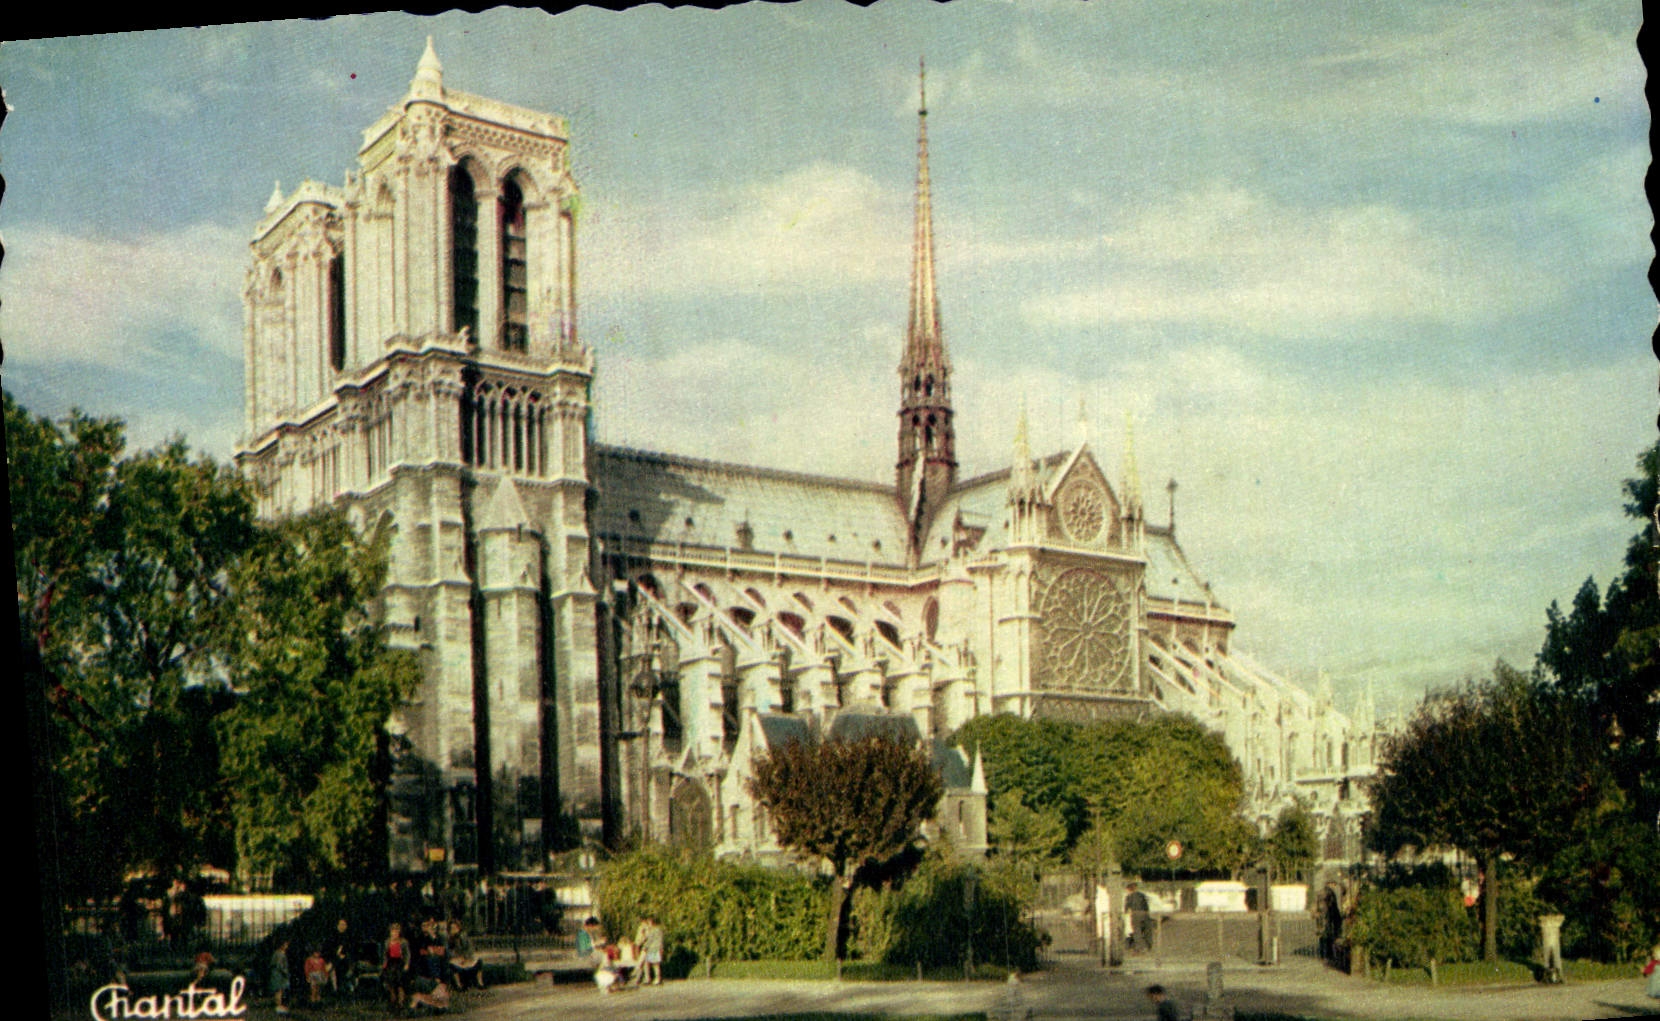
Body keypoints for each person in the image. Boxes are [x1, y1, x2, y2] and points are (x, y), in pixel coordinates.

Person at [445, 919, 483, 990]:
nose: (454, 930)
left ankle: (480, 983)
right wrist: (456, 957)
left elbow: (469, 949)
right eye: (452, 928)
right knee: (452, 965)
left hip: (466, 959)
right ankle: (459, 985)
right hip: (456, 959)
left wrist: (466, 957)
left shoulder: (464, 937)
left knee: (479, 961)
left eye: (455, 928)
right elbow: (449, 951)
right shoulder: (449, 939)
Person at [382, 922, 412, 1010]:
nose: (394, 933)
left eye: (396, 931)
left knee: (400, 981)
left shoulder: (403, 942)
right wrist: (384, 963)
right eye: (393, 931)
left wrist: (406, 964)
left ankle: (401, 1001)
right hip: (391, 963)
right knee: (390, 980)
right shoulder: (387, 942)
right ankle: (393, 1000)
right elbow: (385, 954)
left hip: (400, 962)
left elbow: (407, 954)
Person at [633, 916, 664, 986]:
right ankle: (653, 978)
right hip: (655, 948)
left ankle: (656, 979)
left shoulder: (654, 930)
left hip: (653, 948)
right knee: (653, 964)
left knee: (655, 964)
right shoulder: (658, 930)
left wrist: (645, 947)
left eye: (649, 922)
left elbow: (650, 940)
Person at [1125, 882, 1152, 952]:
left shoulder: (1129, 897)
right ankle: (1148, 946)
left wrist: (1125, 912)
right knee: (1146, 930)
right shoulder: (1141, 895)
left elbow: (1126, 907)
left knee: (1137, 931)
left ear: (1128, 889)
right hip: (1144, 914)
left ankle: (1139, 947)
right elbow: (1146, 905)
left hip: (1135, 914)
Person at [270, 938, 292, 1015]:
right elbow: (280, 966)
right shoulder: (281, 954)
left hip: (276, 973)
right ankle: (279, 1006)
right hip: (279, 975)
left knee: (278, 991)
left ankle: (279, 1006)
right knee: (279, 991)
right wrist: (286, 973)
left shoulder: (276, 953)